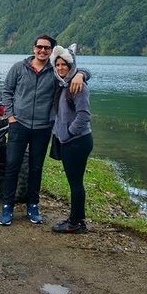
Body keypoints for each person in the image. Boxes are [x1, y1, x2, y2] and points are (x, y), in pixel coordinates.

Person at [0, 35, 87, 226]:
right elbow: (7, 91)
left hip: (42, 127)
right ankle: (7, 207)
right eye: (39, 47)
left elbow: (73, 71)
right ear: (33, 48)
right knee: (12, 165)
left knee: (36, 168)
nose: (42, 51)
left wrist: (81, 74)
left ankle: (33, 205)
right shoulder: (19, 68)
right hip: (18, 125)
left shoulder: (54, 71)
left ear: (51, 51)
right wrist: (11, 116)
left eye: (47, 48)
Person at [50, 44, 93, 234]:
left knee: (76, 183)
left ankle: (76, 223)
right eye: (57, 65)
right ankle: (76, 219)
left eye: (64, 65)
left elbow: (84, 115)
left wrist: (67, 134)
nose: (60, 68)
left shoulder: (78, 86)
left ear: (71, 65)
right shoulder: (62, 84)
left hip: (77, 141)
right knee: (74, 181)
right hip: (68, 141)